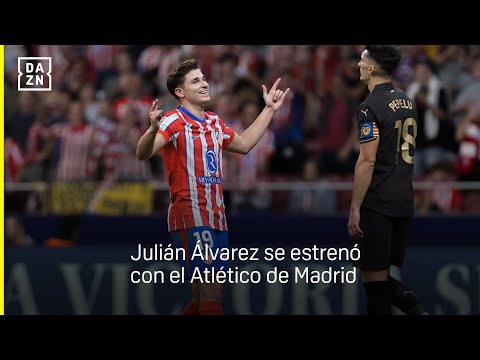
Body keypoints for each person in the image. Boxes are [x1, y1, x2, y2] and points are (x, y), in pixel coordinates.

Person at [136, 59, 289, 315]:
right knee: (209, 290)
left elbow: (243, 145)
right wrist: (151, 130)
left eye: (204, 78)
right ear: (180, 92)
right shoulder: (172, 121)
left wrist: (269, 109)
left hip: (216, 215)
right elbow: (143, 153)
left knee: (204, 296)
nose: (204, 83)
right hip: (191, 212)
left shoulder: (214, 122)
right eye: (195, 81)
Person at [347, 46, 427, 315]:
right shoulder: (408, 101)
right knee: (379, 278)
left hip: (378, 201)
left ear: (371, 69)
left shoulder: (369, 107)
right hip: (403, 199)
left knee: (374, 284)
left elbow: (367, 160)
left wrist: (355, 207)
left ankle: (416, 311)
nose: (358, 63)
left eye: (362, 59)